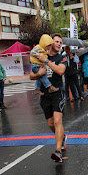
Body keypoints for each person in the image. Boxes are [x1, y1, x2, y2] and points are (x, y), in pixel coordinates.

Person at [29, 33, 67, 163]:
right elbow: (31, 76)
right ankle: (63, 137)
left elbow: (60, 71)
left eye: (60, 43)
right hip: (45, 95)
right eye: (56, 41)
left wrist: (46, 61)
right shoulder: (40, 54)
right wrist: (39, 73)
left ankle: (58, 151)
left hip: (58, 92)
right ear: (50, 43)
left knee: (57, 121)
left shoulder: (62, 58)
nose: (58, 44)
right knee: (51, 124)